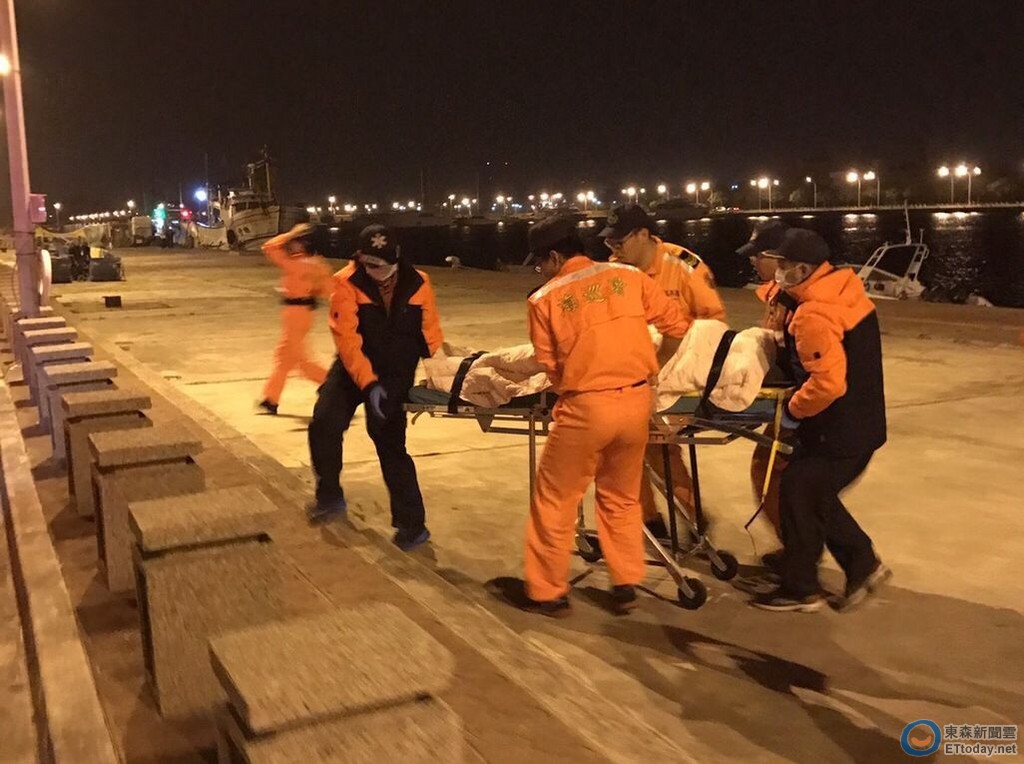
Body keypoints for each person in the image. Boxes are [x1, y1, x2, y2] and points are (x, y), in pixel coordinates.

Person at [523, 215, 691, 617]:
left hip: (586, 408)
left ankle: (547, 591)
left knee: (556, 498)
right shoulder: (628, 276)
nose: (539, 271)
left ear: (553, 256)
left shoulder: (544, 299)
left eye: (539, 263)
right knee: (621, 496)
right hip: (636, 404)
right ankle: (625, 581)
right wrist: (652, 366)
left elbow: (550, 366)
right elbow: (677, 325)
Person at [750, 228, 890, 613]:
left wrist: (792, 410)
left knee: (800, 490)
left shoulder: (814, 313)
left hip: (838, 430)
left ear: (802, 269)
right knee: (807, 491)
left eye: (783, 265)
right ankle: (841, 567)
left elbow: (827, 384)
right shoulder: (841, 291)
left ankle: (806, 586)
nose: (778, 271)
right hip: (860, 422)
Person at [307, 224, 443, 551]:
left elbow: (430, 333)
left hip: (395, 373)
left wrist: (439, 372)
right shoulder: (346, 282)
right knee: (325, 421)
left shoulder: (419, 283)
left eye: (381, 265)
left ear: (396, 259)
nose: (374, 272)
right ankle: (329, 494)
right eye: (368, 264)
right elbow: (347, 340)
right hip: (352, 368)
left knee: (389, 441)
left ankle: (412, 525)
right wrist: (368, 384)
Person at [598, 203, 726, 541]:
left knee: (659, 449)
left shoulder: (683, 266)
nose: (614, 250)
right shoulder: (615, 271)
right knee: (621, 447)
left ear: (643, 235)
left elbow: (713, 324)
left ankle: (692, 515)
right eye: (609, 243)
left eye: (619, 242)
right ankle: (650, 521)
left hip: (678, 367)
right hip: (636, 370)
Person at [736, 220, 792, 564]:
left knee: (770, 469)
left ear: (778, 257)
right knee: (770, 469)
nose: (752, 261)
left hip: (797, 404)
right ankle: (796, 550)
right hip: (789, 401)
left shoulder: (794, 297)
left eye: (757, 256)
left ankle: (798, 554)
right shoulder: (777, 293)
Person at [258, 223, 333, 415]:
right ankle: (271, 399)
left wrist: (290, 234)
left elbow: (269, 247)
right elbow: (328, 291)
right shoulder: (318, 264)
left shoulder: (296, 263)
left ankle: (331, 385)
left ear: (303, 243)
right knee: (286, 357)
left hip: (296, 315)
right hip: (302, 313)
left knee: (299, 360)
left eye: (295, 242)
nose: (291, 245)